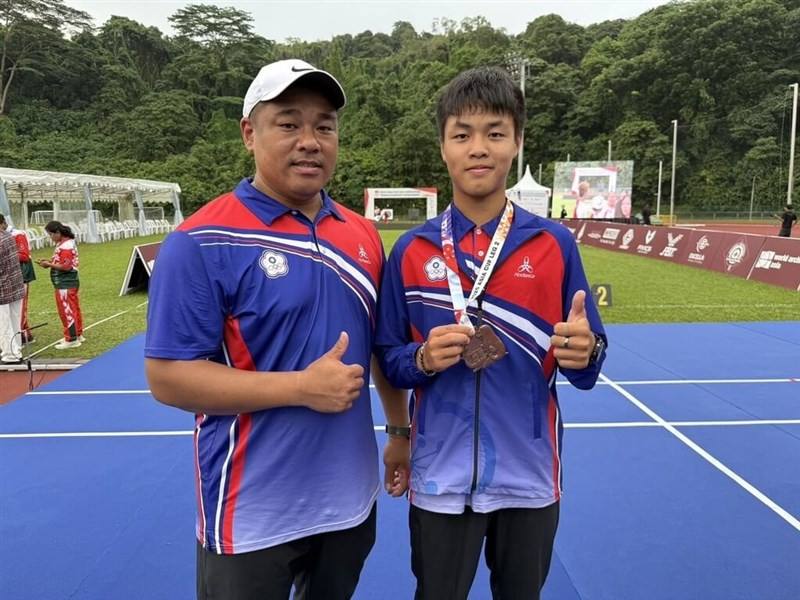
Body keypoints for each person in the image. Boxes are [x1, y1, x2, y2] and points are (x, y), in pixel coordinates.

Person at [144, 59, 409, 600]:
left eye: (324, 126)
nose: (309, 141)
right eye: (288, 123)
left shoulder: (361, 236)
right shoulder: (200, 242)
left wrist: (400, 432)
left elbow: (380, 349)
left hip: (349, 502)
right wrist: (299, 389)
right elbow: (168, 378)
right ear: (250, 133)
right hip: (251, 513)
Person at [375, 66, 607, 600]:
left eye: (495, 133)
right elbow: (388, 358)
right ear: (443, 148)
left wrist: (584, 351)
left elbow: (590, 363)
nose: (479, 148)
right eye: (462, 134)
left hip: (528, 475)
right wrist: (424, 360)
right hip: (438, 477)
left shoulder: (554, 244)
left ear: (518, 143)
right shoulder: (412, 251)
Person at [36, 221, 84, 349]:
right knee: (73, 307)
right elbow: (62, 261)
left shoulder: (66, 246)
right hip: (68, 282)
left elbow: (66, 266)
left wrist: (49, 265)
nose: (50, 238)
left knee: (66, 310)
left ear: (57, 233)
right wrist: (49, 261)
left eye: (51, 235)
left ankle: (71, 338)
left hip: (65, 283)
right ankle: (77, 334)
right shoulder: (65, 243)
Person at [0, 215, 36, 343]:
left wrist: (7, 255)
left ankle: (21, 336)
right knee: (8, 312)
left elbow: (24, 255)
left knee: (19, 309)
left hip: (21, 276)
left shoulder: (17, 234)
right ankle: (24, 335)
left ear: (3, 223)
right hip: (6, 278)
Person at [0, 220, 26, 364]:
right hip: (15, 284)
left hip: (3, 288)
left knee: (3, 323)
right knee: (14, 320)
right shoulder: (8, 236)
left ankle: (10, 354)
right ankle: (16, 347)